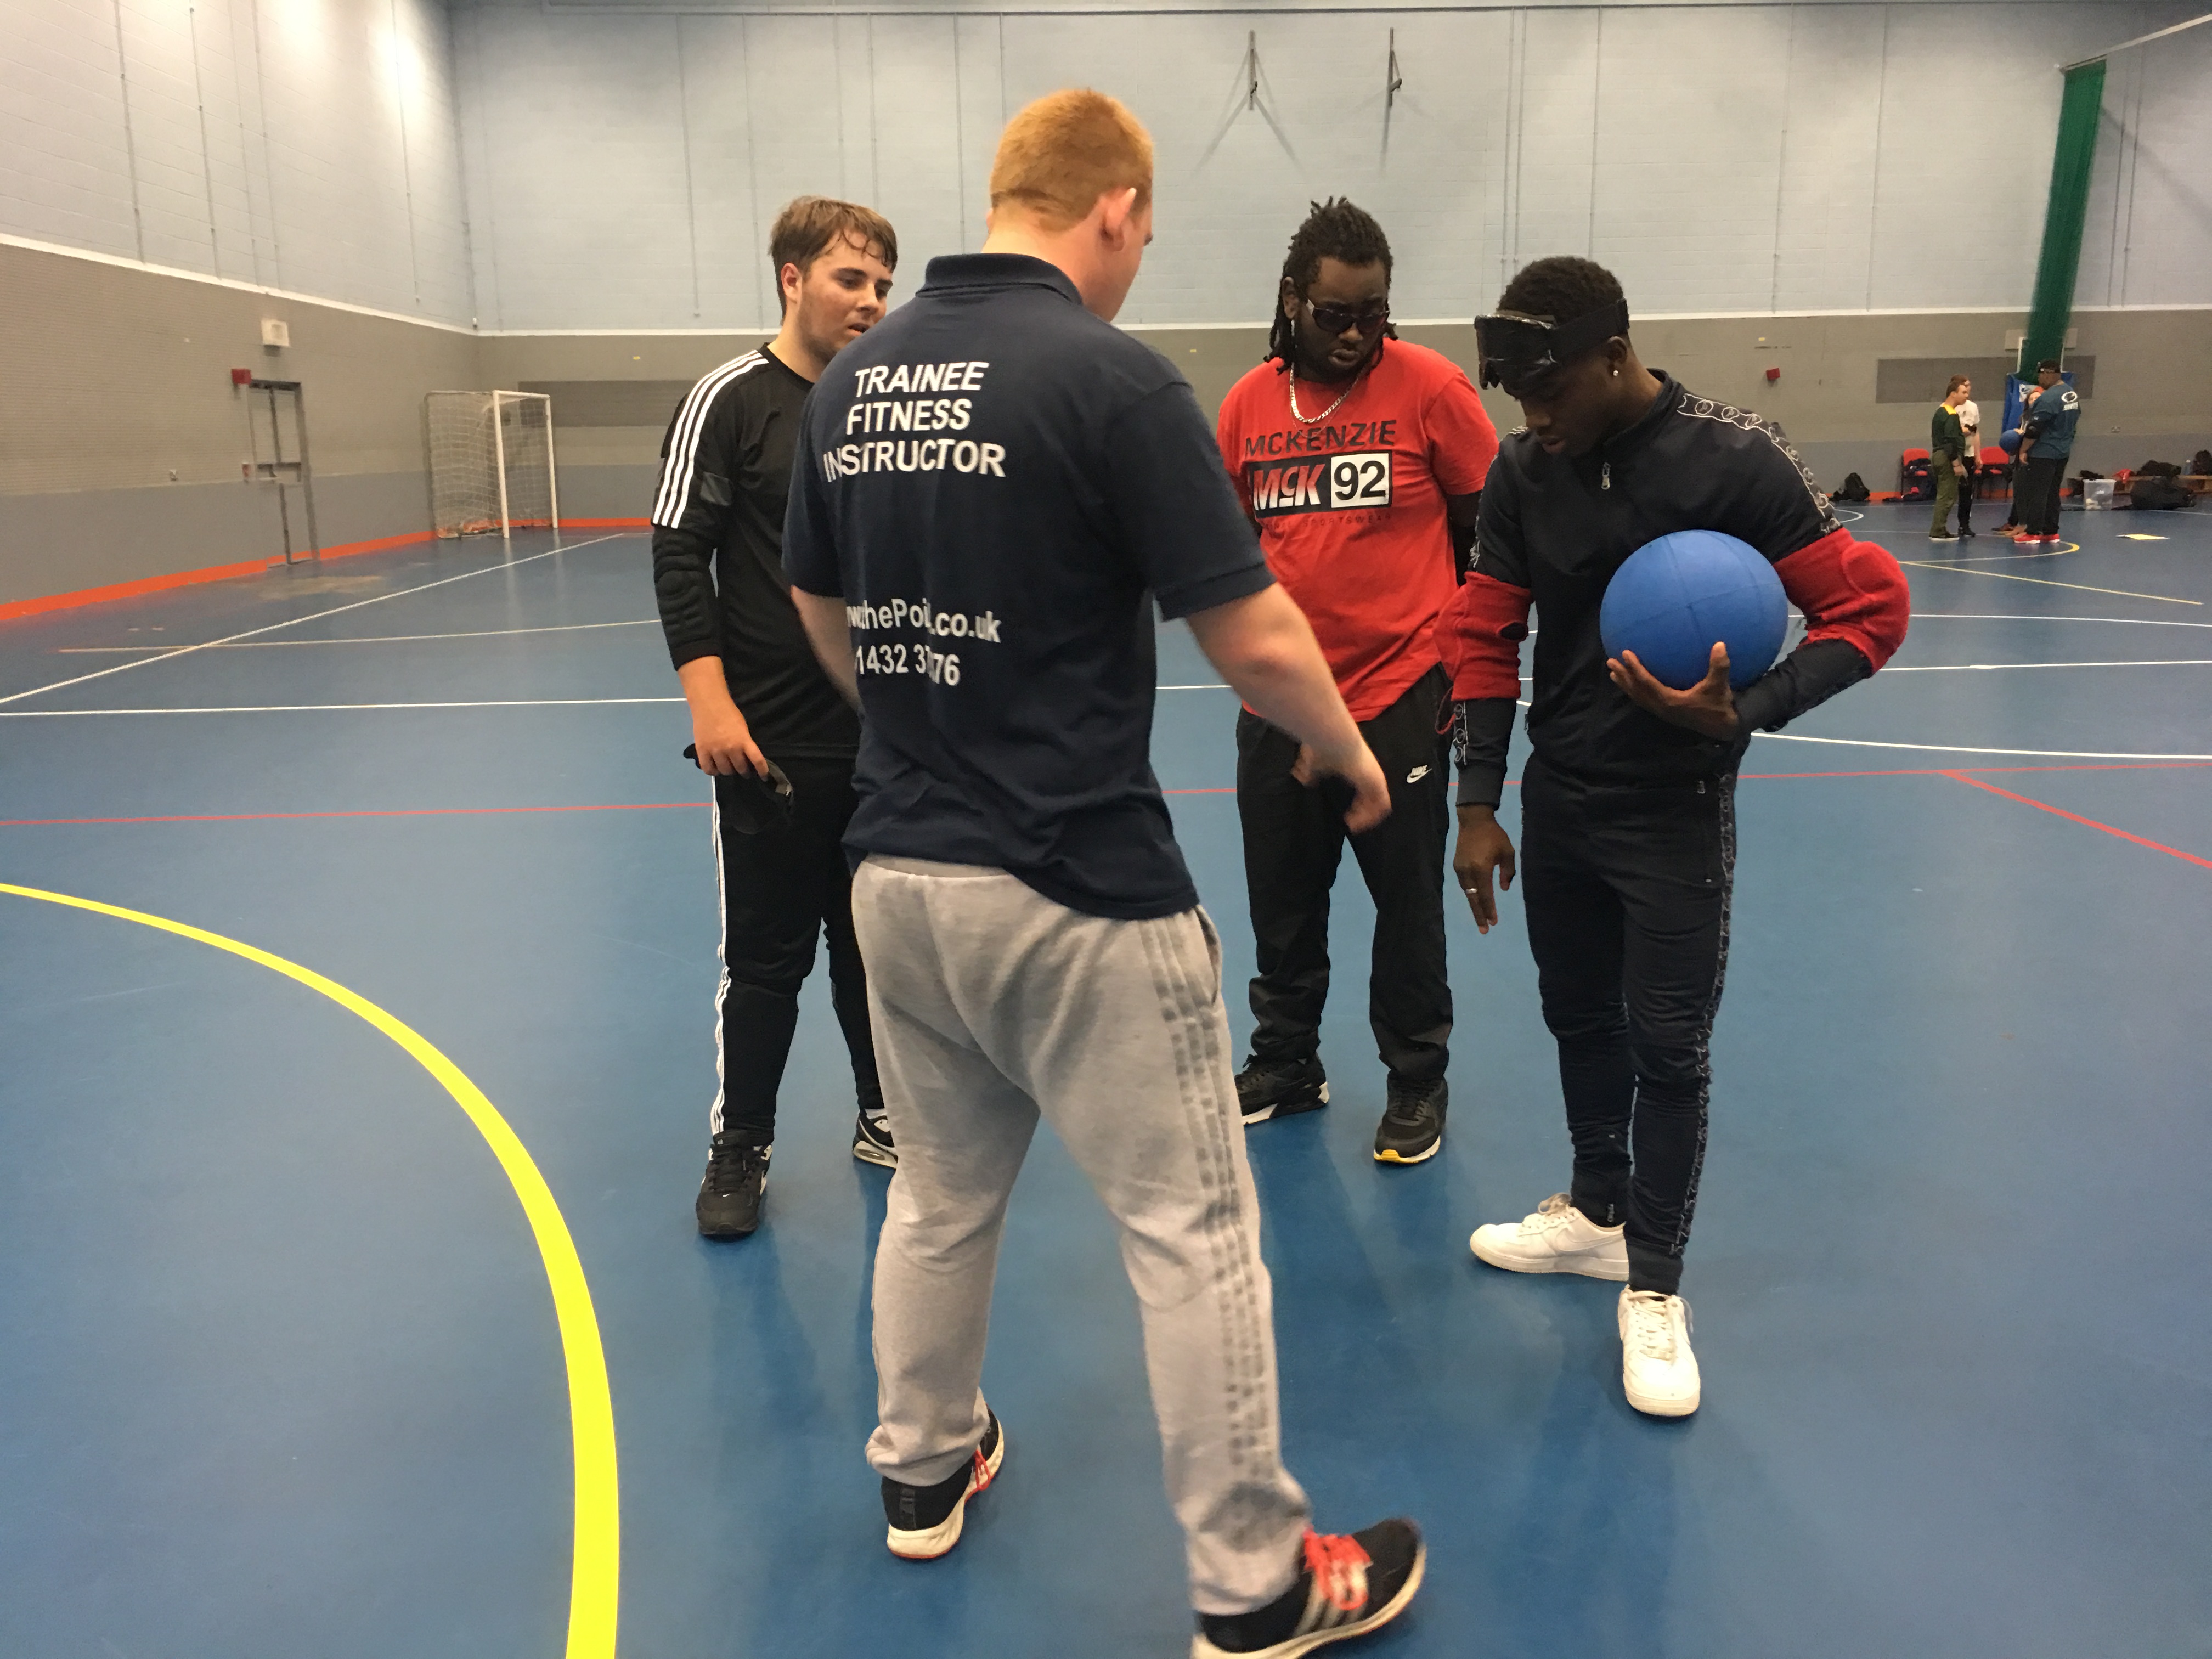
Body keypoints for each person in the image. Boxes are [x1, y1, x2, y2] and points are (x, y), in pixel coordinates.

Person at [782, 91, 1425, 1656]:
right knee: (1192, 1238)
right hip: (1078, 889)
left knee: (938, 1199)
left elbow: (815, 605)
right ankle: (1258, 1586)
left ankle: (922, 1475)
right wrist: (1350, 756)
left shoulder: (854, 381)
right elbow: (1256, 632)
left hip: (898, 882)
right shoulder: (1114, 379)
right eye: (1144, 234)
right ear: (1117, 210)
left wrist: (924, 728)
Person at [1440, 256, 1910, 1418]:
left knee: (1669, 1043)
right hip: (1560, 800)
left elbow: (1871, 610)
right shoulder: (1523, 471)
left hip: (1674, 811)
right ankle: (1597, 1212)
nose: (1530, 418)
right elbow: (1487, 635)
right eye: (1516, 397)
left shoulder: (1733, 459)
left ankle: (1654, 1283)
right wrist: (1478, 803)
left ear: (1613, 356)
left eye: (1547, 392)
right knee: (1576, 1014)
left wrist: (1745, 712)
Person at [1214, 199, 1499, 1165]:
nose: (1354, 333)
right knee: (1281, 902)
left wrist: (1459, 659)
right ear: (1293, 301)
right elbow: (1233, 552)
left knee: (1406, 907)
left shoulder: (1429, 388)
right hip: (1278, 704)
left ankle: (1416, 1077)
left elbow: (1492, 534)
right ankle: (1287, 1060)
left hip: (1399, 694)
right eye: (1335, 314)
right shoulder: (1248, 403)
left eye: (1372, 313)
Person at [650, 196, 899, 1239]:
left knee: (874, 947)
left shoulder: (883, 398)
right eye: (851, 280)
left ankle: (884, 1111)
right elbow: (676, 550)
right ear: (792, 278)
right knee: (766, 959)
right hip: (765, 747)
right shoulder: (730, 398)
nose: (872, 302)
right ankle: (741, 1140)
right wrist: (709, 699)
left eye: (884, 285)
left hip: (880, 741)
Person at [2014, 359, 2080, 546]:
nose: (2039, 379)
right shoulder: (2071, 394)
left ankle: (2033, 531)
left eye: (2041, 375)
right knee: (2053, 492)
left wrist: (2024, 449)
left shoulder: (2049, 398)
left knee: (2038, 493)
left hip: (2044, 452)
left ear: (2048, 374)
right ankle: (2051, 531)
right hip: (2062, 450)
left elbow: (2035, 429)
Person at [1928, 376, 1970, 541]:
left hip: (1939, 456)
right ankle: (1938, 531)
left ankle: (1940, 528)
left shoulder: (1941, 411)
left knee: (1944, 494)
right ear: (1953, 393)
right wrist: (1956, 464)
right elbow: (1950, 442)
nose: (1967, 395)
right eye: (1963, 392)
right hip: (1946, 457)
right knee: (1947, 496)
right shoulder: (1951, 415)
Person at [1953, 376, 1980, 538]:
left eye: (1969, 386)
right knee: (1950, 491)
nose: (1968, 390)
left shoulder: (1973, 407)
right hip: (1955, 454)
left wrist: (1978, 455)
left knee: (1967, 491)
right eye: (1964, 387)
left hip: (1969, 454)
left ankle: (1964, 525)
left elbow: (1976, 432)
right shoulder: (1949, 408)